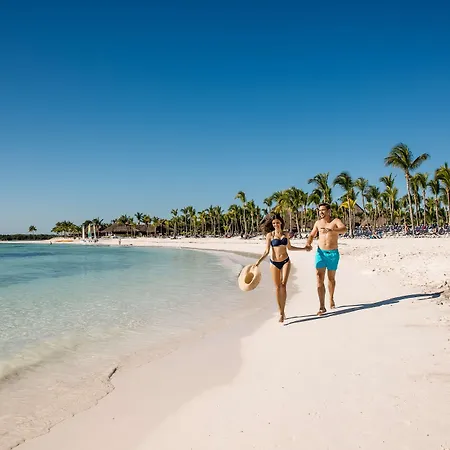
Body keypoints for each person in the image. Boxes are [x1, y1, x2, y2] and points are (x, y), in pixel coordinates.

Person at [255, 213, 309, 323]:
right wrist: (258, 262)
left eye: (277, 222)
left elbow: (290, 247)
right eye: (274, 223)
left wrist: (303, 248)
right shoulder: (269, 235)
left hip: (285, 261)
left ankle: (283, 311)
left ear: (281, 223)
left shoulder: (286, 234)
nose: (276, 225)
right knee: (277, 287)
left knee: (283, 285)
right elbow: (266, 251)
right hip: (274, 263)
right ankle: (280, 311)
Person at [305, 203, 347, 315]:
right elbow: (312, 235)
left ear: (329, 211)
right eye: (319, 210)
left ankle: (331, 298)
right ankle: (322, 306)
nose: (321, 212)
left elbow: (344, 229)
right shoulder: (318, 223)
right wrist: (308, 243)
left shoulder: (335, 221)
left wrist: (332, 230)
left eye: (323, 210)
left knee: (331, 278)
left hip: (333, 254)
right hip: (320, 253)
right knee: (319, 277)